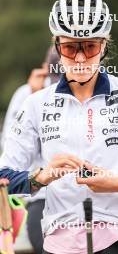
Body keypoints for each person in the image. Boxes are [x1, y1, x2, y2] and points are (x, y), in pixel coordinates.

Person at [0, 0, 118, 253]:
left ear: (104, 45)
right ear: (57, 45)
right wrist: (40, 178)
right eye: (70, 48)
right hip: (62, 242)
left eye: (90, 46)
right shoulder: (35, 104)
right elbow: (3, 176)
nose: (80, 59)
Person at [0, 46, 60, 254]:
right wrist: (36, 96)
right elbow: (12, 150)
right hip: (40, 197)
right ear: (44, 69)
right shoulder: (25, 94)